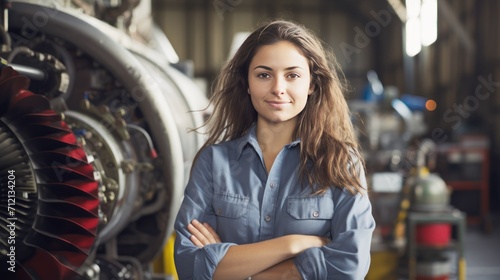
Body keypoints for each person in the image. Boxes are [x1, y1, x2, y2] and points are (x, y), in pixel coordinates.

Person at [174, 19, 375, 280]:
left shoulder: (341, 163)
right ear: (247, 83)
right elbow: (189, 267)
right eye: (264, 75)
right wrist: (293, 244)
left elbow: (350, 266)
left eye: (292, 75)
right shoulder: (214, 163)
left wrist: (229, 267)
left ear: (312, 84)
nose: (278, 88)